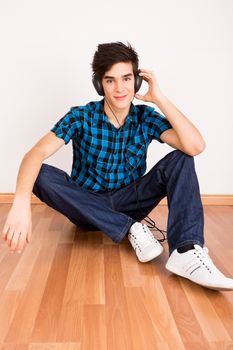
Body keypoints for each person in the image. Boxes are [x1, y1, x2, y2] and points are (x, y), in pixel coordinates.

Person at [2, 41, 233, 291]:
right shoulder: (81, 116)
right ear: (100, 84)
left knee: (182, 158)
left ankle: (186, 251)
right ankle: (131, 228)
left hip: (131, 201)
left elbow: (195, 146)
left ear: (137, 81)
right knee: (40, 174)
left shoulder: (146, 117)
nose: (120, 88)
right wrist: (21, 202)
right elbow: (35, 153)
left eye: (126, 78)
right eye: (110, 80)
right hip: (87, 208)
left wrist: (160, 99)